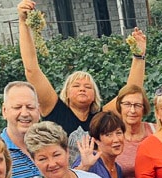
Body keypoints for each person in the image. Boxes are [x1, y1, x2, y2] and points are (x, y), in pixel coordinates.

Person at [16, 1, 146, 149]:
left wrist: (139, 56)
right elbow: (32, 70)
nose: (82, 89)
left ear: (94, 96)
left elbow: (132, 92)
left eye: (88, 86)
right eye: (76, 86)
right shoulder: (54, 109)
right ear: (67, 93)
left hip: (98, 172)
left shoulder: (101, 117)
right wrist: (23, 22)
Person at [0, 81, 43, 178]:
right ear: (4, 111)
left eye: (30, 107)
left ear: (38, 111)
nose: (24, 113)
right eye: (17, 107)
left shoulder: (50, 146)